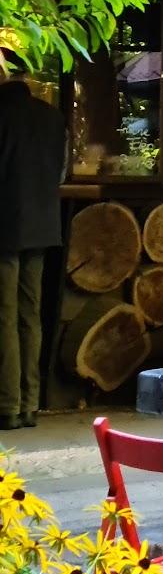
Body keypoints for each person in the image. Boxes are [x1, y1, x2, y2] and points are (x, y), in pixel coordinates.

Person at [0, 63, 67, 430]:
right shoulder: (53, 118)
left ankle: (7, 405)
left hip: (5, 229)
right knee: (31, 316)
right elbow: (59, 172)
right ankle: (29, 403)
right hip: (42, 227)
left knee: (4, 316)